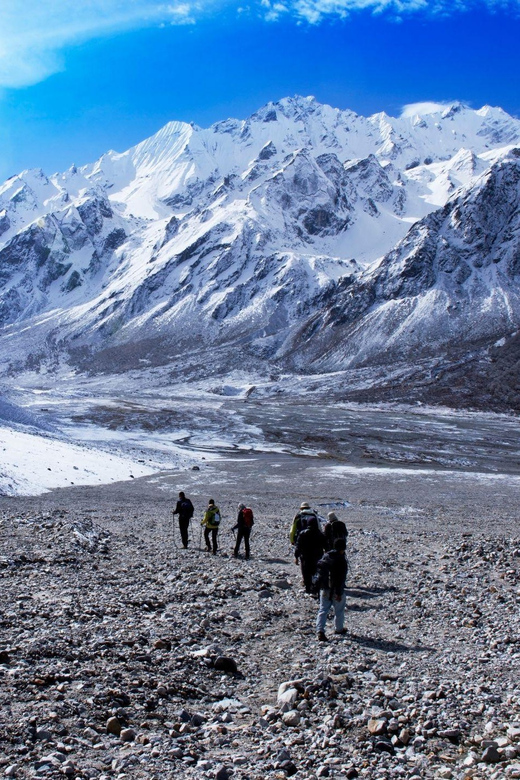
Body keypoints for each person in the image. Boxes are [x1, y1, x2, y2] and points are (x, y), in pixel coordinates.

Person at [315, 538, 348, 641]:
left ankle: (320, 630)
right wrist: (338, 592)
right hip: (336, 589)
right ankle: (339, 628)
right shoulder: (341, 560)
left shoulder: (326, 556)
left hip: (324, 588)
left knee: (323, 609)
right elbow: (341, 578)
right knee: (339, 610)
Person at [294, 515, 326, 594]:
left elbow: (298, 546)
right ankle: (316, 588)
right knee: (316, 572)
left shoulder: (302, 533)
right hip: (317, 556)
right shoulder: (320, 534)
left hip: (305, 557)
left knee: (306, 572)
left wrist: (296, 557)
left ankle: (308, 588)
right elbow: (326, 546)